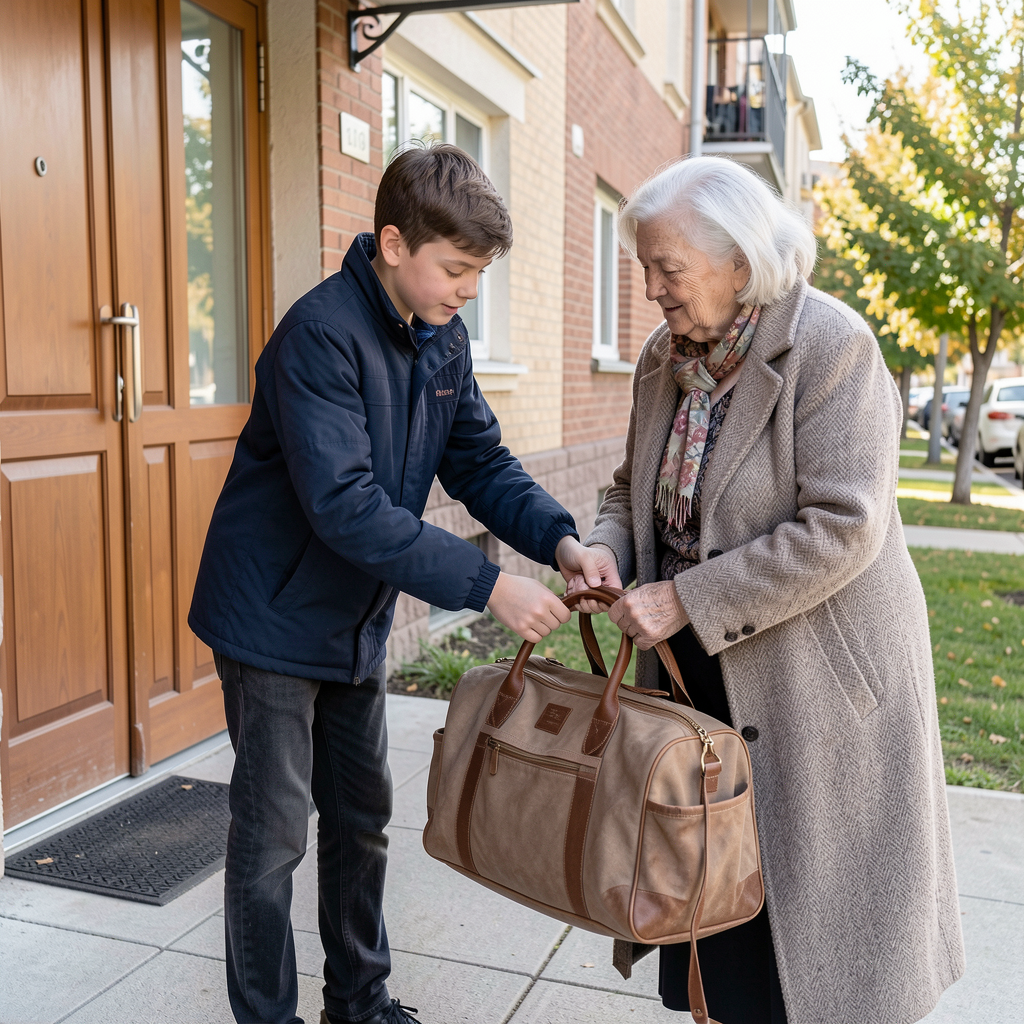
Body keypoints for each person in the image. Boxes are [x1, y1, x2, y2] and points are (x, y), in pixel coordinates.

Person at [188, 144, 616, 1024]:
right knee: (273, 838)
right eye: (455, 269)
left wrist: (560, 540)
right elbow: (344, 506)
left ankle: (360, 1003)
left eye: (478, 274)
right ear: (393, 243)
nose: (467, 291)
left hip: (353, 621)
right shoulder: (319, 335)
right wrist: (486, 585)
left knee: (362, 818)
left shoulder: (442, 338)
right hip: (271, 619)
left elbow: (481, 462)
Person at [565, 156, 965, 1024]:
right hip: (697, 684)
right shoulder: (662, 360)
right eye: (645, 269)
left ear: (741, 261)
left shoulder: (830, 345)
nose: (652, 292)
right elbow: (629, 491)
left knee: (812, 956)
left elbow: (845, 525)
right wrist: (605, 549)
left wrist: (685, 599)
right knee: (713, 924)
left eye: (668, 269)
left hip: (815, 688)